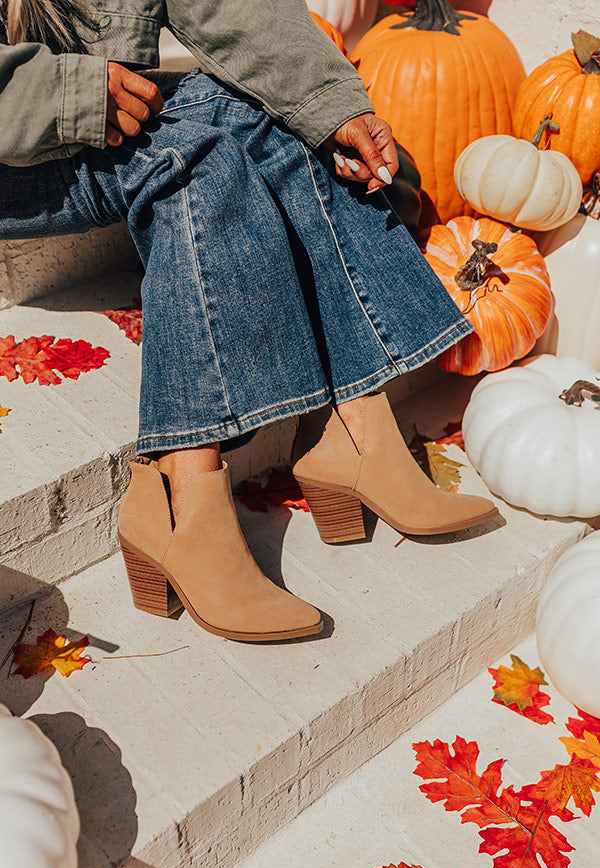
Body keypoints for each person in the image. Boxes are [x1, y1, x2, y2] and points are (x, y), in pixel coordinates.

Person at [0, 0, 498, 643]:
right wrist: (58, 94)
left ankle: (358, 422)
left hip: (96, 114)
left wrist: (333, 105)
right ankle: (182, 495)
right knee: (191, 155)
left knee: (277, 113)